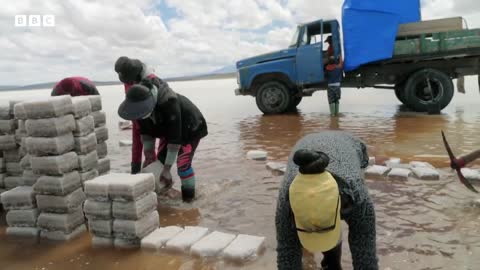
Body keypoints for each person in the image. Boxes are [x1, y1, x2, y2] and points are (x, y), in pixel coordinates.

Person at [276, 131, 378, 270]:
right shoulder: (285, 202)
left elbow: (365, 252)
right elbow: (286, 252)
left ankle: (331, 262)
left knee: (335, 260)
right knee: (293, 242)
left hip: (349, 146)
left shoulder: (357, 196)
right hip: (304, 146)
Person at [117, 76, 208, 202]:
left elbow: (175, 140)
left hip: (191, 126)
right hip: (167, 130)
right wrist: (149, 156)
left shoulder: (169, 102)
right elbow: (145, 133)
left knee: (183, 165)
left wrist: (167, 169)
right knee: (158, 164)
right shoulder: (138, 109)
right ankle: (167, 194)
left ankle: (189, 200)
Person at [114, 56, 160, 174]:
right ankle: (135, 173)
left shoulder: (152, 80)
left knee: (151, 149)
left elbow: (158, 106)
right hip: (136, 117)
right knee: (136, 146)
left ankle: (156, 173)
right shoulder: (127, 77)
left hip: (151, 118)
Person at [324, 36, 343, 117]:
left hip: (330, 87)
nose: (328, 42)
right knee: (337, 100)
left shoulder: (327, 69)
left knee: (331, 100)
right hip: (337, 86)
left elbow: (325, 73)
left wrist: (325, 64)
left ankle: (332, 115)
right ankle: (337, 114)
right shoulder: (338, 68)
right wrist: (341, 57)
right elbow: (341, 64)